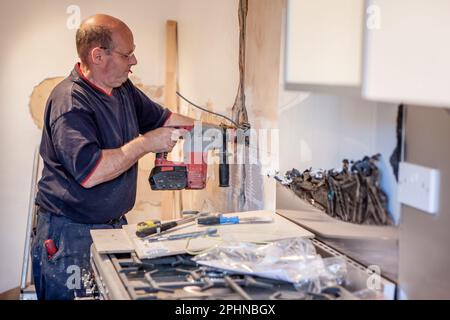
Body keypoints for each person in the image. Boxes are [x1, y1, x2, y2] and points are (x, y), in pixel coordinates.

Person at [31, 14, 195, 300]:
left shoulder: (122, 90)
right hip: (70, 233)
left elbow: (165, 119)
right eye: (127, 54)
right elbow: (91, 173)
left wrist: (213, 133)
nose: (134, 61)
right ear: (97, 55)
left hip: (113, 225)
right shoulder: (70, 102)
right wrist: (146, 143)